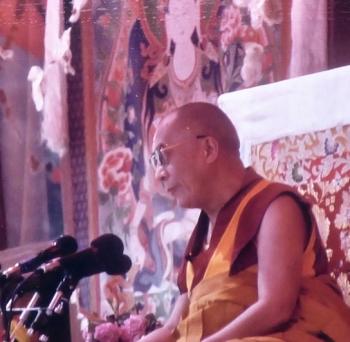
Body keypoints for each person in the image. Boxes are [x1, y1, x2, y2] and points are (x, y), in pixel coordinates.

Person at [139, 102, 350, 342]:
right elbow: (173, 328)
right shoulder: (200, 239)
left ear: (208, 148)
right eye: (155, 163)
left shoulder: (274, 207)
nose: (159, 173)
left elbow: (276, 308)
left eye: (163, 157)